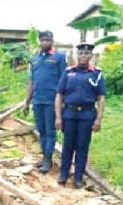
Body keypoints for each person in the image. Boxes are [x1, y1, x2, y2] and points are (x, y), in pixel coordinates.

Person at [54, 43, 106, 189]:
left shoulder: (97, 74)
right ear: (77, 56)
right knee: (68, 146)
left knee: (82, 147)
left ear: (91, 56)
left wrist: (98, 119)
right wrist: (58, 117)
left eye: (86, 54)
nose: (83, 56)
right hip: (69, 114)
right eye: (81, 54)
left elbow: (101, 97)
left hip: (87, 114)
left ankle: (78, 177)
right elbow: (59, 95)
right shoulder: (68, 72)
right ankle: (63, 174)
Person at [23, 30, 67, 174]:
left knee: (50, 130)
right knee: (41, 130)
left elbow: (64, 80)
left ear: (52, 41)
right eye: (42, 40)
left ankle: (48, 159)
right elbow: (32, 82)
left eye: (47, 40)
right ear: (39, 41)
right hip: (37, 101)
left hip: (52, 101)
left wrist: (63, 102)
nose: (44, 43)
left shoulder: (59, 57)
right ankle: (44, 156)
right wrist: (26, 102)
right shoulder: (35, 59)